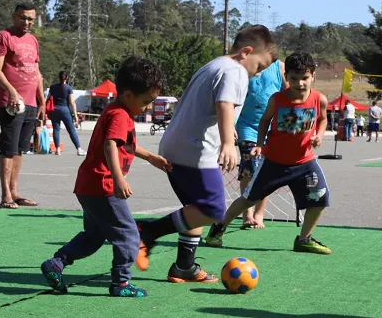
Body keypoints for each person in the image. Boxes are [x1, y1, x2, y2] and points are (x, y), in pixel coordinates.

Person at [135, 25, 277, 283]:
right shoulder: (236, 71)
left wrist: (229, 130)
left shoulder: (213, 65)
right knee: (212, 209)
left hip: (174, 147)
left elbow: (206, 105)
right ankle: (146, 231)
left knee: (195, 209)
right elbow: (223, 103)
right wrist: (227, 143)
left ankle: (184, 266)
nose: (258, 74)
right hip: (194, 151)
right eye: (259, 67)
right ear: (247, 52)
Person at [40, 56, 169, 297]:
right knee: (129, 235)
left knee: (94, 236)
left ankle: (56, 264)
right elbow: (111, 144)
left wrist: (150, 156)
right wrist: (118, 178)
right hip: (104, 186)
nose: (149, 107)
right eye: (146, 101)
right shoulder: (120, 115)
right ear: (129, 94)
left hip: (88, 186)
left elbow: (125, 145)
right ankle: (120, 283)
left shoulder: (117, 110)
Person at [205, 52, 331, 255]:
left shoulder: (319, 99)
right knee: (249, 199)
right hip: (274, 162)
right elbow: (264, 121)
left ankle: (304, 239)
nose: (299, 83)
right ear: (286, 77)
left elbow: (323, 119)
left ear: (313, 76)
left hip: (304, 162)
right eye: (293, 78)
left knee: (320, 199)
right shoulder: (277, 99)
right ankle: (218, 229)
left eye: (304, 78)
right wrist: (260, 144)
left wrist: (319, 134)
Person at [0, 2, 45, 209]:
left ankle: (14, 192)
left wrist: (41, 101)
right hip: (11, 104)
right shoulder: (3, 37)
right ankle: (6, 196)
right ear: (14, 17)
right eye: (23, 17)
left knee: (20, 150)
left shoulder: (33, 41)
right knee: (8, 149)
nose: (27, 22)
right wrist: (12, 91)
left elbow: (37, 73)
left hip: (30, 104)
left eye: (30, 19)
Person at [234, 59, 286, 229]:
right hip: (246, 126)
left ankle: (259, 213)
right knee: (250, 168)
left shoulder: (279, 67)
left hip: (270, 128)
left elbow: (287, 93)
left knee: (264, 171)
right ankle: (247, 212)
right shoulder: (244, 64)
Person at [48, 71, 87, 156]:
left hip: (54, 110)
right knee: (71, 130)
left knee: (56, 129)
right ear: (67, 78)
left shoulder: (53, 87)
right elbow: (72, 102)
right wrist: (76, 115)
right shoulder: (69, 88)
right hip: (65, 110)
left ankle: (57, 149)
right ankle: (78, 149)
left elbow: (48, 98)